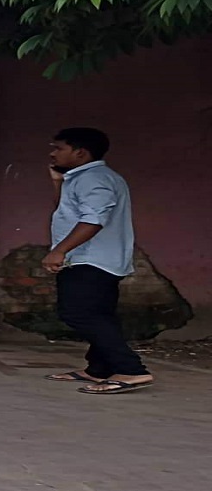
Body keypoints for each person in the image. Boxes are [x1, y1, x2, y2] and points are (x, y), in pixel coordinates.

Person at [43, 128, 152, 394]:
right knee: (99, 314)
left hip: (91, 259)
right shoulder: (82, 178)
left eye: (59, 148)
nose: (53, 153)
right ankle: (99, 369)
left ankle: (131, 370)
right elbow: (67, 210)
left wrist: (60, 250)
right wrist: (58, 183)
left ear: (80, 152)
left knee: (78, 313)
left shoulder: (95, 179)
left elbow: (93, 219)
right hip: (91, 258)